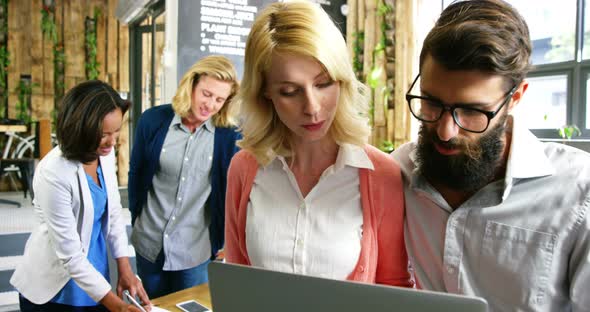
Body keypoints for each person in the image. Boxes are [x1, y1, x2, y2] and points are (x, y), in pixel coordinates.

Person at [392, 0, 590, 310]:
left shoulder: (579, 194)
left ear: (516, 97)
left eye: (471, 111)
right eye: (430, 102)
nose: (445, 131)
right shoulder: (394, 172)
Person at [224, 1, 412, 287]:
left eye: (324, 84)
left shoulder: (382, 175)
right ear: (265, 94)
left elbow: (393, 286)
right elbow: (236, 280)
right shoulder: (244, 169)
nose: (312, 108)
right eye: (289, 91)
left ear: (343, 80)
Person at [10, 80, 150, 311]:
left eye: (116, 131)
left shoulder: (103, 154)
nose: (112, 142)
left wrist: (125, 270)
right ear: (80, 128)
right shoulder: (53, 172)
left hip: (96, 276)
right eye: (104, 134)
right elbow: (71, 256)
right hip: (55, 288)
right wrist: (119, 306)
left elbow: (114, 213)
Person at [128, 55, 241, 298]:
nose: (210, 105)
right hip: (150, 241)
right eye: (206, 94)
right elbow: (136, 175)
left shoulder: (228, 136)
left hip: (195, 249)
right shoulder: (153, 120)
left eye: (220, 99)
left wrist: (226, 239)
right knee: (154, 306)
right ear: (191, 85)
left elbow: (233, 190)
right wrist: (137, 217)